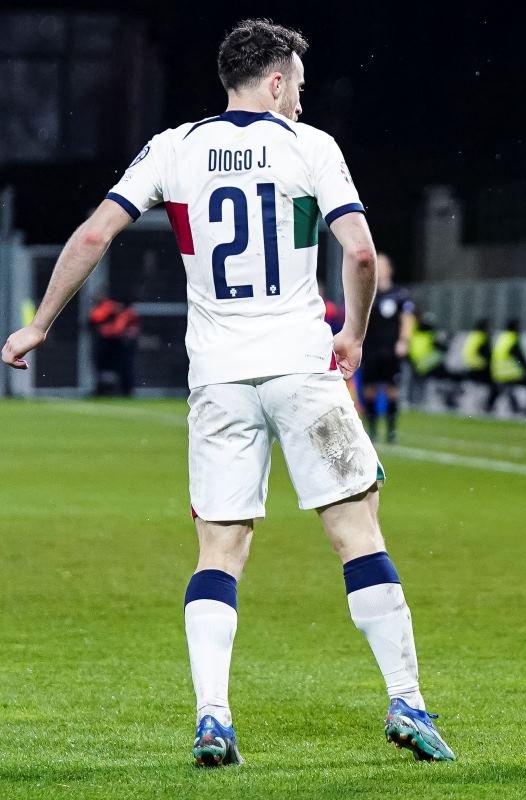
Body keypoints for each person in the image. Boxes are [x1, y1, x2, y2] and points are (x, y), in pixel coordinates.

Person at [1, 19, 454, 766]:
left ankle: (214, 717)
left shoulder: (174, 147)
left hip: (217, 376)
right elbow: (363, 253)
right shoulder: (310, 148)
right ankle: (406, 699)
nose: (302, 103)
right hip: (302, 369)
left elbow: (91, 237)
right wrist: (355, 334)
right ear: (276, 82)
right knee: (356, 533)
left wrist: (40, 325)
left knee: (220, 549)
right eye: (299, 88)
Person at [360, 253, 413, 443]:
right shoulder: (367, 293)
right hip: (371, 348)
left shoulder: (399, 295)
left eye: (383, 265)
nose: (380, 268)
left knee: (392, 388)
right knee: (369, 390)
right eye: (377, 265)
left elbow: (406, 319)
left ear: (390, 269)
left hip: (391, 349)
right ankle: (372, 431)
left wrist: (404, 341)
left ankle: (391, 432)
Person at [487, 318, 526, 416]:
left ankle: (489, 405)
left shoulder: (502, 338)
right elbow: (521, 359)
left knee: (501, 387)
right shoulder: (513, 339)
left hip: (497, 374)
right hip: (511, 373)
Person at [88, 293, 140, 396]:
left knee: (124, 368)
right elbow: (94, 320)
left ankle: (126, 391)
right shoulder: (107, 309)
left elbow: (125, 329)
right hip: (106, 343)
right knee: (102, 368)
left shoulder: (128, 313)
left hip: (121, 344)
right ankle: (103, 390)